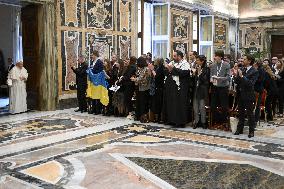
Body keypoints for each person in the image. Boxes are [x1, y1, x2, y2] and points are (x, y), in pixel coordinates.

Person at [163, 50, 191, 127]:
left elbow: (184, 73)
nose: (173, 57)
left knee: (179, 105)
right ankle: (171, 120)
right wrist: (168, 68)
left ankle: (180, 122)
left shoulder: (185, 64)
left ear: (179, 56)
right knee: (171, 104)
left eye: (175, 56)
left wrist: (173, 69)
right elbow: (166, 71)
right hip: (171, 88)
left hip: (180, 89)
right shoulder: (172, 63)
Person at [233, 55, 259, 138]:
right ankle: (239, 129)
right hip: (240, 94)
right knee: (240, 113)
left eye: (244, 59)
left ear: (249, 61)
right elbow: (237, 82)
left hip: (248, 95)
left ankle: (251, 131)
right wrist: (236, 75)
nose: (242, 61)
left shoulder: (254, 71)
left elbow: (250, 84)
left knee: (249, 113)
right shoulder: (242, 69)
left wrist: (242, 76)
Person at [210, 50, 231, 127]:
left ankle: (224, 121)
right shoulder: (212, 65)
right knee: (212, 106)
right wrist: (211, 79)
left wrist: (219, 78)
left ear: (220, 57)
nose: (214, 57)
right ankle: (218, 120)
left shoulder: (226, 65)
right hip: (215, 87)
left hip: (223, 88)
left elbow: (228, 77)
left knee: (224, 106)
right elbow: (211, 75)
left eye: (216, 56)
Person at [131, 56, 151, 123]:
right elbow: (138, 75)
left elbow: (143, 79)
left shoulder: (146, 69)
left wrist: (135, 79)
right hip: (139, 88)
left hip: (144, 88)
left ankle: (143, 117)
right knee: (138, 102)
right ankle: (138, 115)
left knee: (143, 103)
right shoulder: (140, 69)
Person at [192, 55, 210, 129]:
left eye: (198, 60)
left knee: (202, 107)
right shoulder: (196, 68)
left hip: (202, 91)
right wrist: (194, 74)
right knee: (195, 107)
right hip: (195, 90)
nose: (196, 61)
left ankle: (203, 122)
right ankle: (196, 121)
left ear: (202, 61)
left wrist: (199, 74)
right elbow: (194, 80)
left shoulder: (206, 69)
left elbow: (205, 81)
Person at [149, 58, 165, 123]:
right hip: (156, 87)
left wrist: (152, 70)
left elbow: (157, 77)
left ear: (158, 62)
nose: (154, 61)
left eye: (155, 60)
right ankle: (156, 117)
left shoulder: (161, 68)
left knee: (159, 103)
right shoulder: (157, 67)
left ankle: (159, 118)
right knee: (155, 103)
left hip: (159, 88)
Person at [91, 50, 104, 114]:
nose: (91, 56)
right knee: (93, 95)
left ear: (95, 55)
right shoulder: (92, 62)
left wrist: (93, 72)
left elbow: (100, 71)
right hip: (93, 81)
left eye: (92, 55)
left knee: (98, 96)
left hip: (98, 81)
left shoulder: (99, 62)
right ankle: (93, 109)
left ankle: (97, 110)